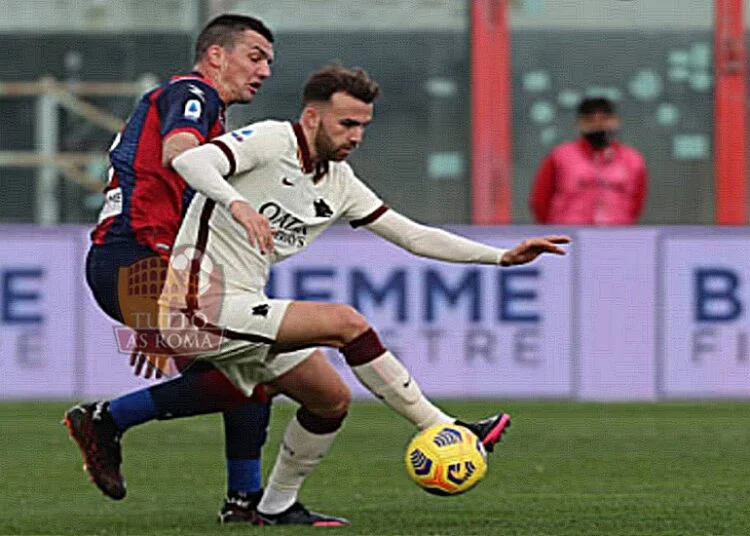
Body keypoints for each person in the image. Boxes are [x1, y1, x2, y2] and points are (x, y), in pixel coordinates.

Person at [156, 64, 571, 526]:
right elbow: (190, 160)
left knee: (329, 398)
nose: (356, 136)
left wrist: (500, 257)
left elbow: (414, 236)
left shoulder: (339, 183)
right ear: (312, 118)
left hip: (239, 308)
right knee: (345, 323)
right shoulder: (272, 141)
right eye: (346, 124)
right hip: (193, 303)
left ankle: (274, 506)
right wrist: (236, 202)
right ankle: (440, 426)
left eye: (363, 127)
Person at [64, 14, 279, 523]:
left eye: (270, 61)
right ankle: (106, 419)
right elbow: (179, 153)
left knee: (251, 372)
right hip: (138, 256)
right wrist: (162, 284)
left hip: (137, 261)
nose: (265, 70)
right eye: (255, 56)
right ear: (215, 56)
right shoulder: (192, 94)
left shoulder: (206, 111)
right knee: (248, 367)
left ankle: (244, 503)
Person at [529, 97, 648, 225]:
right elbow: (540, 200)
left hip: (616, 236)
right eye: (590, 120)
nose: (598, 125)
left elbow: (636, 202)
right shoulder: (560, 156)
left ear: (615, 121)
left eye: (604, 119)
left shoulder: (633, 160)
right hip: (569, 235)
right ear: (580, 123)